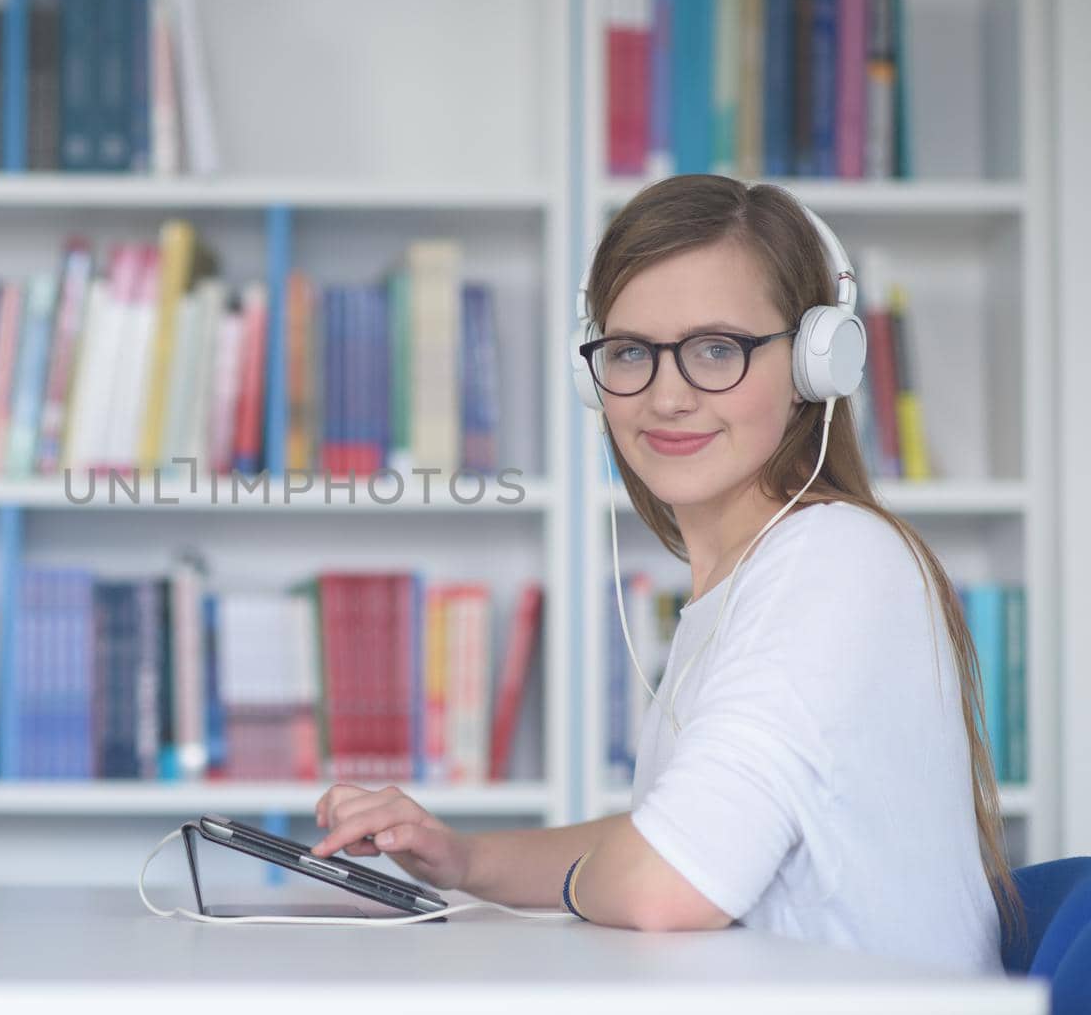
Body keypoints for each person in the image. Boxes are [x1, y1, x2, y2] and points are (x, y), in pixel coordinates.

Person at [309, 174, 1019, 974]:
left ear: (816, 364)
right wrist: (464, 859)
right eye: (631, 352)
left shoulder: (833, 562)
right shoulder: (746, 582)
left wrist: (614, 875)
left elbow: (664, 882)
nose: (667, 395)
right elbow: (667, 838)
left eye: (718, 349)